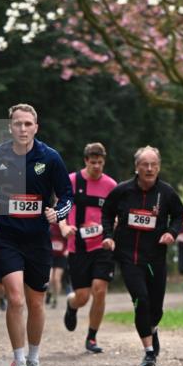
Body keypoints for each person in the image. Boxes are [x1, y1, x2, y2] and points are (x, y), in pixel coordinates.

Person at [0, 104, 73, 366]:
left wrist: (59, 213)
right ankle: (17, 362)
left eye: (28, 124)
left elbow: (66, 195)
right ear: (10, 126)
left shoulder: (50, 157)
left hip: (38, 239)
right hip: (8, 237)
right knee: (15, 299)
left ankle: (34, 359)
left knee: (35, 302)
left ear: (36, 127)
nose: (23, 129)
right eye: (18, 124)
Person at [101, 146, 183, 366]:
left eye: (153, 164)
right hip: (128, 257)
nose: (149, 168)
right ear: (136, 167)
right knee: (141, 301)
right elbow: (107, 213)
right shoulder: (122, 191)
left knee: (156, 308)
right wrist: (108, 236)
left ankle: (152, 328)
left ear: (159, 167)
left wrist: (171, 233)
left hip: (155, 258)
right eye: (144, 165)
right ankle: (149, 352)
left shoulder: (166, 193)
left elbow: (178, 215)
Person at [63, 142, 117, 352]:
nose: (96, 166)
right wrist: (65, 226)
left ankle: (92, 337)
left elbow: (117, 214)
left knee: (100, 289)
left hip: (102, 245)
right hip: (78, 246)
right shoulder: (72, 181)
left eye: (100, 163)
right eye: (93, 162)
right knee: (83, 297)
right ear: (86, 161)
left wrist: (110, 230)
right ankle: (71, 304)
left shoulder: (111, 185)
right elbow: (61, 208)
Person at [48, 220, 68, 309]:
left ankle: (55, 299)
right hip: (50, 255)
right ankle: (49, 292)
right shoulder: (50, 224)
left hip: (61, 256)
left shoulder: (65, 223)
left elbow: (71, 237)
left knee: (56, 278)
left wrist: (67, 250)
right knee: (49, 278)